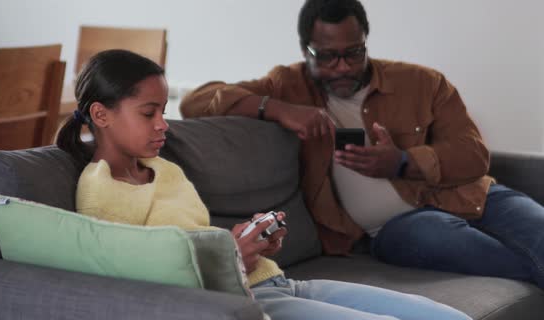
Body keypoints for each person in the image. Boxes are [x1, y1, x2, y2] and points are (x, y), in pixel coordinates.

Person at [55, 49, 478, 320]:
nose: (163, 123)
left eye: (163, 111)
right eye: (149, 113)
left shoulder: (164, 170)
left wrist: (246, 239)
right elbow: (130, 285)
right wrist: (228, 257)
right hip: (241, 300)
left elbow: (190, 239)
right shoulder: (100, 192)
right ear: (101, 114)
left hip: (279, 282)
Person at [179, 0, 544, 289]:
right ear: (306, 50)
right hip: (397, 229)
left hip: (475, 196)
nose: (341, 67)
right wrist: (277, 109)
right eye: (326, 56)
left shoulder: (422, 83)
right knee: (439, 236)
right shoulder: (287, 85)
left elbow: (474, 154)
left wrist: (403, 162)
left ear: (366, 42)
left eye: (353, 53)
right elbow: (197, 101)